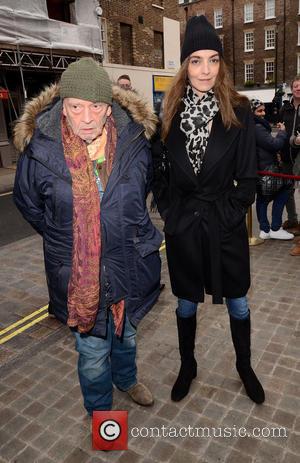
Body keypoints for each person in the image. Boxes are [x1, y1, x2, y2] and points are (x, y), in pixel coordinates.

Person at [13, 57, 162, 415]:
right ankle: (102, 414)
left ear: (108, 108)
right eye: (76, 107)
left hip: (128, 267)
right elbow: (28, 203)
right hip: (80, 280)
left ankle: (127, 379)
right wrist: (65, 240)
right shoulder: (40, 149)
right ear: (63, 106)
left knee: (127, 336)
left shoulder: (135, 143)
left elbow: (147, 192)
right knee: (93, 355)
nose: (86, 118)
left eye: (95, 106)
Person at [152, 16, 265, 405]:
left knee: (239, 301)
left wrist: (227, 217)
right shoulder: (167, 114)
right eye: (196, 60)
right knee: (185, 302)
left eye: (213, 60)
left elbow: (248, 181)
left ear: (221, 64)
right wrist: (172, 215)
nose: (205, 70)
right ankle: (188, 364)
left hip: (224, 225)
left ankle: (244, 366)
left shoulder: (239, 112)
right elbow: (158, 176)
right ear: (185, 66)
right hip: (184, 227)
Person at [251, 98, 293, 240]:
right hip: (267, 168)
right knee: (285, 189)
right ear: (252, 112)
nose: (263, 113)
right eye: (259, 110)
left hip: (261, 168)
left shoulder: (252, 125)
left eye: (263, 110)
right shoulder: (257, 127)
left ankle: (265, 230)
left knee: (263, 198)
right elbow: (274, 145)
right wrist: (282, 132)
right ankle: (274, 228)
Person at [279, 75, 300, 236]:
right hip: (287, 155)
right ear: (291, 89)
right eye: (296, 86)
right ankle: (293, 219)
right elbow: (279, 126)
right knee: (287, 190)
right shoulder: (285, 108)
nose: (298, 88)